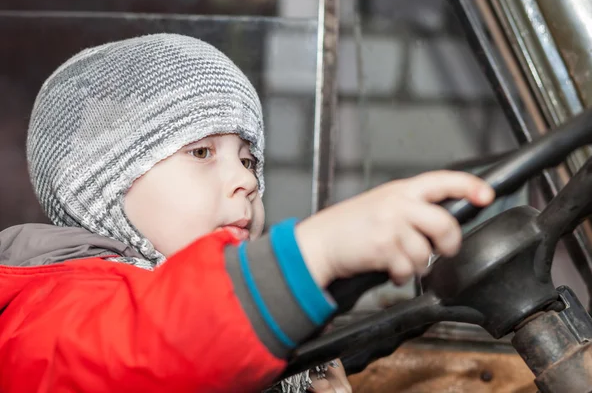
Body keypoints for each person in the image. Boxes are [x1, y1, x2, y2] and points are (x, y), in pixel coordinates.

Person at [0, 33, 494, 393]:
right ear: (102, 181)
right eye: (201, 152)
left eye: (248, 157)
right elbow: (150, 346)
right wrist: (315, 250)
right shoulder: (52, 307)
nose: (248, 180)